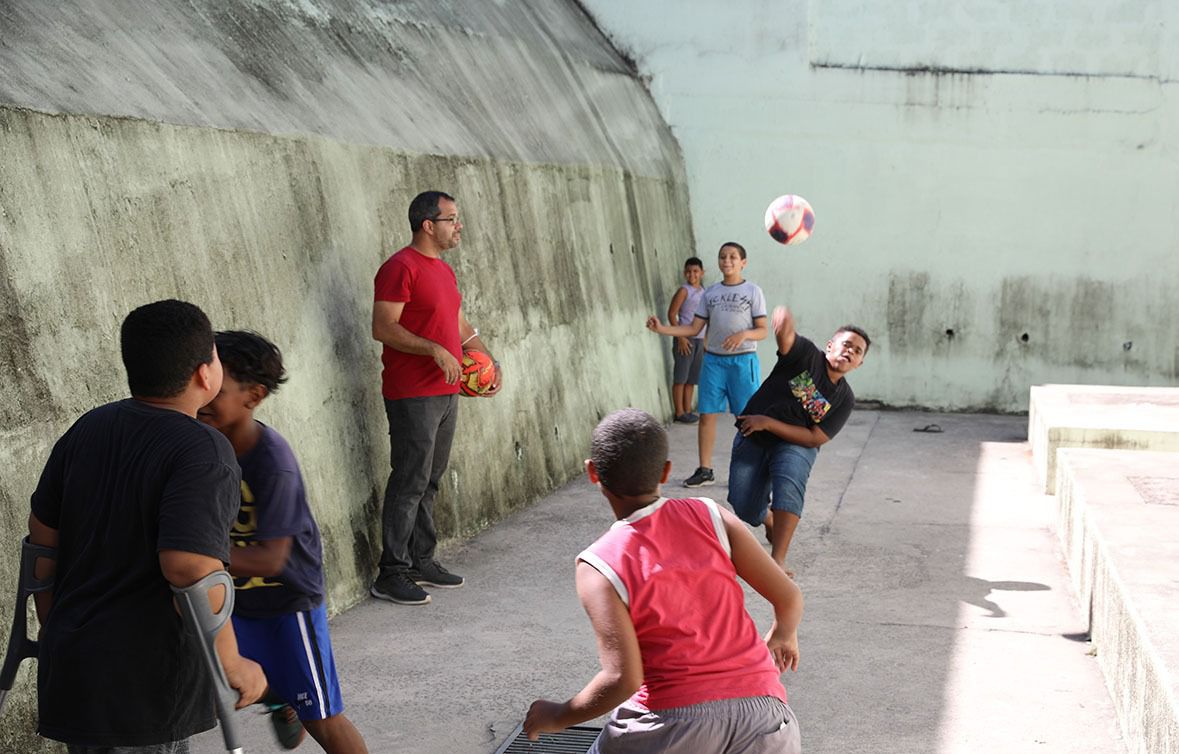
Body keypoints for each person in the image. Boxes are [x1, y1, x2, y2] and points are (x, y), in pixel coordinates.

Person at [27, 299, 267, 753]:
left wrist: (57, 626)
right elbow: (190, 568)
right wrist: (231, 662)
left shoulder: (89, 428)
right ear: (204, 374)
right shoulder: (203, 451)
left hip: (77, 667)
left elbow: (42, 540)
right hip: (145, 682)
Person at [523, 409, 803, 753]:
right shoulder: (710, 515)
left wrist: (558, 715)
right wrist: (783, 633)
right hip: (769, 720)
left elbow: (623, 679)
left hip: (672, 725)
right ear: (666, 470)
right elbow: (788, 597)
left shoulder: (598, 564)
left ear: (592, 472)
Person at [198, 330, 369, 753]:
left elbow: (272, 558)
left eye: (216, 386)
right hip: (235, 601)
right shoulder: (201, 446)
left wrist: (197, 560)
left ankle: (287, 695)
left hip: (287, 603)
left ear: (253, 396)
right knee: (227, 685)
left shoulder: (272, 464)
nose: (202, 396)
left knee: (322, 716)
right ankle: (278, 693)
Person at [370, 190, 502, 606]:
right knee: (409, 480)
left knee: (430, 480)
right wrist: (433, 349)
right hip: (412, 393)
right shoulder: (399, 267)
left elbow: (460, 323)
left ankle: (421, 560)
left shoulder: (442, 271)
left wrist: (487, 358)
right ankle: (391, 572)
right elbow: (383, 326)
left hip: (446, 392)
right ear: (428, 224)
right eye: (451, 219)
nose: (458, 226)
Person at [730, 306, 870, 576]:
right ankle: (768, 518)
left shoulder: (844, 398)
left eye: (857, 351)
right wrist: (783, 321)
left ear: (859, 363)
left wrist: (769, 422)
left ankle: (778, 558)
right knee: (744, 507)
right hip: (754, 434)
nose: (850, 352)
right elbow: (787, 339)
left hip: (796, 442)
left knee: (791, 481)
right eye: (846, 345)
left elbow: (815, 436)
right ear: (830, 346)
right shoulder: (806, 356)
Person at [646, 242, 768, 487]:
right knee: (707, 416)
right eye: (723, 256)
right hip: (713, 362)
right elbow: (693, 328)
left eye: (733, 257)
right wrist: (662, 329)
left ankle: (755, 468)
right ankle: (705, 469)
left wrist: (743, 335)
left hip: (742, 363)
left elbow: (763, 330)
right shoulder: (710, 294)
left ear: (743, 262)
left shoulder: (753, 291)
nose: (727, 260)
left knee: (746, 418)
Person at [666, 256, 706, 424]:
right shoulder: (684, 291)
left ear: (702, 273)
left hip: (699, 340)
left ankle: (688, 410)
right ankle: (679, 412)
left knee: (691, 379)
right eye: (688, 272)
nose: (692, 275)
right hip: (685, 339)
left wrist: (705, 341)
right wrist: (680, 337)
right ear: (684, 273)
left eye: (695, 271)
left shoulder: (704, 293)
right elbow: (671, 314)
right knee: (681, 377)